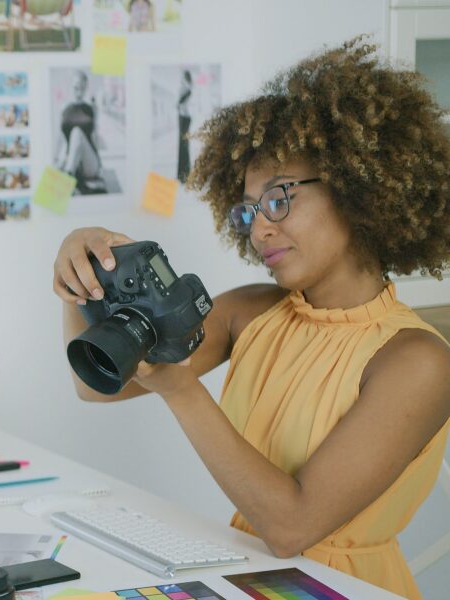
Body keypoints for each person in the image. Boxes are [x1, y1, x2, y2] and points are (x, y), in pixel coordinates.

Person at [52, 37, 450, 600]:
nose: (259, 228)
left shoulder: (417, 360)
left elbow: (291, 527)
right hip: (243, 572)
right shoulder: (252, 311)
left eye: (280, 198)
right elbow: (96, 387)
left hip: (340, 589)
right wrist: (79, 280)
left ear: (357, 189)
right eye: (248, 209)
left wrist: (183, 392)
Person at [53, 70, 104, 193]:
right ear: (71, 86)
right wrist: (55, 159)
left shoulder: (91, 109)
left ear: (85, 88)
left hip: (89, 163)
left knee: (76, 132)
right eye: (76, 87)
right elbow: (60, 137)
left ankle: (68, 174)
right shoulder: (64, 108)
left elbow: (95, 135)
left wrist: (100, 164)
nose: (78, 91)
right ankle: (69, 172)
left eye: (82, 88)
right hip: (71, 157)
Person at [177, 69, 193, 183]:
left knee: (183, 145)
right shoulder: (187, 89)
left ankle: (184, 175)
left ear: (186, 78)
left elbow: (179, 104)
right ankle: (183, 174)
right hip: (183, 118)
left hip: (184, 118)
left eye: (182, 77)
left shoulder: (187, 89)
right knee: (183, 144)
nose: (181, 79)